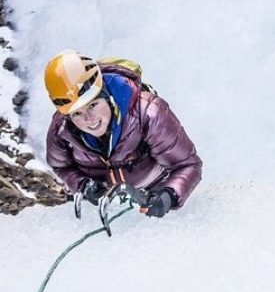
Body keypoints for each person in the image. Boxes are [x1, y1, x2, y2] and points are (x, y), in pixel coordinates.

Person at [44, 50, 202, 217]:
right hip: (104, 206)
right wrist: (83, 185)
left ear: (107, 95)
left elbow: (188, 164)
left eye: (93, 105)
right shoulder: (61, 130)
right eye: (77, 113)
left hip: (154, 194)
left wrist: (168, 196)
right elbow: (61, 165)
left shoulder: (148, 114)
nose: (89, 119)